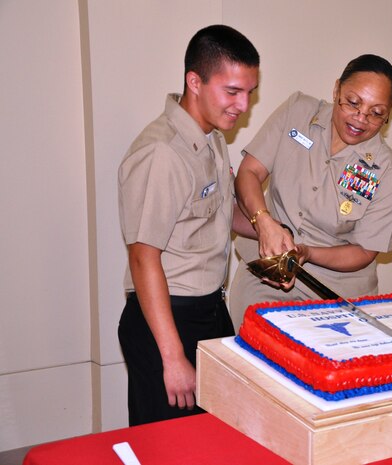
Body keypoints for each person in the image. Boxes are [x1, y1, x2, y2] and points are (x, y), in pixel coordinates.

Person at [117, 24, 259, 426]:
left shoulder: (212, 135)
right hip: (166, 320)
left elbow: (219, 214)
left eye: (249, 92)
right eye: (232, 92)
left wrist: (270, 230)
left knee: (214, 436)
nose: (243, 105)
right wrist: (173, 357)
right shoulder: (162, 153)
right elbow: (144, 259)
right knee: (168, 446)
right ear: (194, 82)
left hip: (208, 310)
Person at [230, 54, 392, 329]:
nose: (360, 119)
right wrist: (263, 221)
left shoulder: (387, 170)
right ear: (336, 90)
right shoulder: (297, 112)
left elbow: (364, 252)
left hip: (335, 297)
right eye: (353, 102)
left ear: (388, 114)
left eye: (376, 113)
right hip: (266, 277)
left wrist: (307, 253)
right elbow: (249, 173)